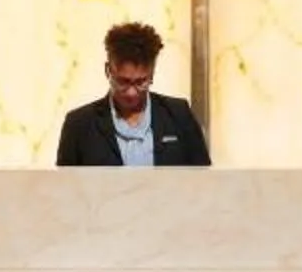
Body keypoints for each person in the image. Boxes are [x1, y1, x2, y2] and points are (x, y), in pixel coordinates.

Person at [55, 21, 210, 167]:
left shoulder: (178, 114)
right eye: (123, 82)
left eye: (141, 82)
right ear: (108, 70)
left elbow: (204, 180)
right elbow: (64, 188)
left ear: (152, 74)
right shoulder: (79, 124)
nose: (131, 93)